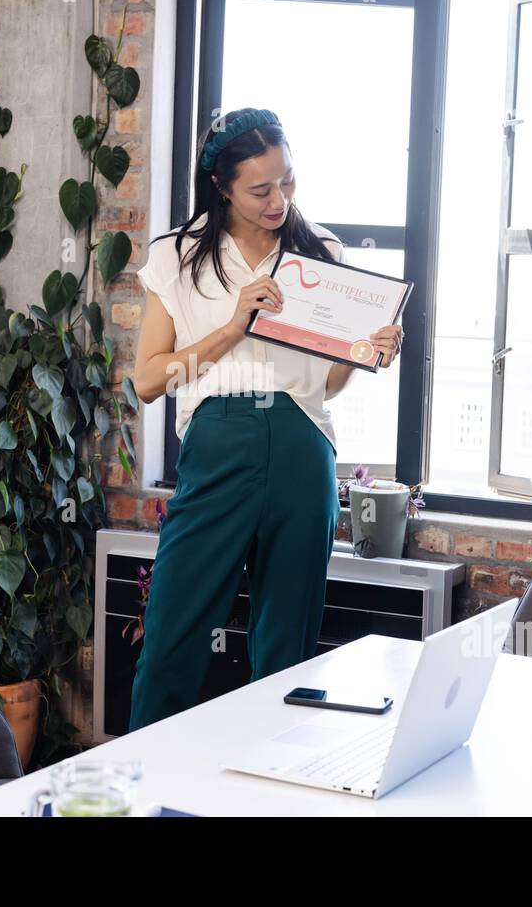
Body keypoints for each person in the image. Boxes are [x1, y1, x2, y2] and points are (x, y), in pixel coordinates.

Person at [127, 108, 403, 730]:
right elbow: (148, 382)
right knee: (173, 630)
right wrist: (231, 328)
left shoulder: (321, 253)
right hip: (219, 441)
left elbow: (326, 384)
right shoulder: (176, 258)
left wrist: (365, 351)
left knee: (289, 649)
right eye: (261, 189)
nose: (279, 200)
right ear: (221, 186)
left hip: (303, 445)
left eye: (288, 182)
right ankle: (144, 784)